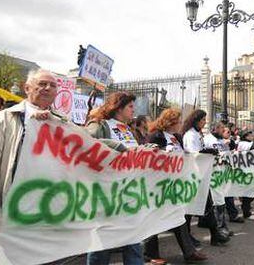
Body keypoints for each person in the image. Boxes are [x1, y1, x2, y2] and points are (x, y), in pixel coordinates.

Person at [0, 69, 59, 237]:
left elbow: (85, 149)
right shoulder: (2, 120)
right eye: (42, 84)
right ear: (27, 88)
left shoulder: (63, 122)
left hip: (47, 212)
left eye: (52, 85)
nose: (47, 88)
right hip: (12, 210)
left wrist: (120, 150)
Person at [85, 92, 143, 265]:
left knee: (133, 240)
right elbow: (86, 142)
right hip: (106, 193)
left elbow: (133, 153)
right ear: (118, 107)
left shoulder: (128, 129)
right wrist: (117, 147)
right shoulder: (100, 125)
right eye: (130, 106)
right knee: (102, 243)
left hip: (130, 191)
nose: (134, 110)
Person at [144, 108, 207, 263]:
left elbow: (184, 157)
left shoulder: (177, 137)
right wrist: (164, 151)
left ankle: (189, 252)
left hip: (174, 185)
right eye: (178, 121)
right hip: (158, 185)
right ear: (170, 122)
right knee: (154, 218)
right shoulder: (155, 136)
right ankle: (150, 253)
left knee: (179, 217)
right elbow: (147, 156)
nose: (180, 124)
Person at [182, 109, 230, 246]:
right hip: (194, 175)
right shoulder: (190, 135)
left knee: (208, 205)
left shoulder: (198, 134)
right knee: (190, 210)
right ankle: (189, 237)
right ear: (196, 120)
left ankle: (215, 234)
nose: (204, 122)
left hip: (202, 175)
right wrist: (207, 152)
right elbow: (193, 154)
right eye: (202, 120)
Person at [203, 122, 234, 237]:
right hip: (212, 174)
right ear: (215, 129)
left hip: (221, 175)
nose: (223, 131)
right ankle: (220, 229)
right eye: (221, 129)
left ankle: (222, 227)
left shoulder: (221, 140)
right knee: (218, 201)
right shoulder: (207, 139)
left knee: (221, 201)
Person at [222, 125, 245, 224]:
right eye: (227, 132)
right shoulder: (217, 141)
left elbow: (232, 147)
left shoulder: (229, 141)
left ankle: (233, 214)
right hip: (219, 172)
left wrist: (230, 141)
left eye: (229, 132)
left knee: (229, 193)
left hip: (227, 170)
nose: (229, 134)